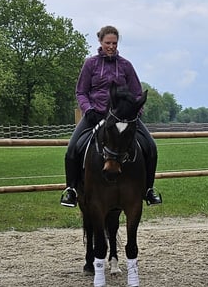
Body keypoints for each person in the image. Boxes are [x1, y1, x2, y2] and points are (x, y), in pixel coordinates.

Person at [60, 25, 162, 207]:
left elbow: (138, 93)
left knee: (151, 147)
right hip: (96, 115)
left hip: (123, 118)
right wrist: (88, 109)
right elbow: (81, 92)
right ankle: (71, 190)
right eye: (108, 43)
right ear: (100, 42)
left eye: (114, 43)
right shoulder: (90, 64)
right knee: (72, 149)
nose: (111, 46)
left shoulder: (125, 65)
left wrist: (133, 113)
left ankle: (149, 189)